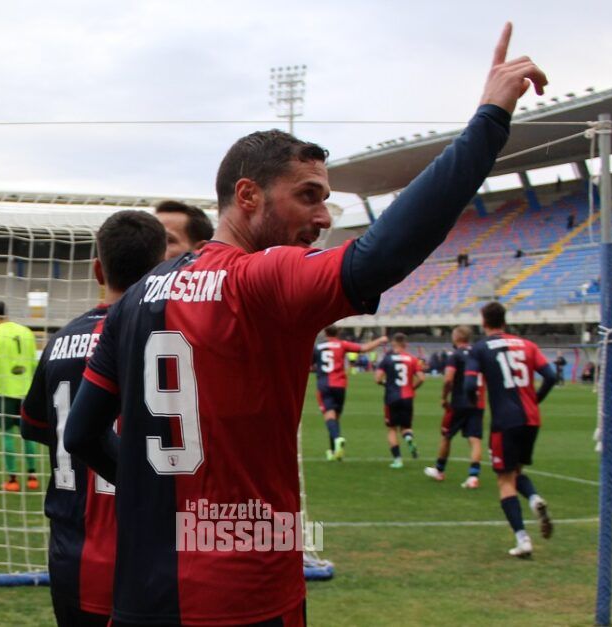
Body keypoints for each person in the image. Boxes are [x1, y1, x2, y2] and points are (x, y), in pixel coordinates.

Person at [66, 22, 545, 624]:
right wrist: (490, 120)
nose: (323, 217)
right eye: (308, 196)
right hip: (244, 594)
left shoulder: (135, 299)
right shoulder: (258, 279)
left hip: (140, 595)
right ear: (248, 196)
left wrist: (155, 505)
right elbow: (382, 255)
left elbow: (81, 435)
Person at [21, 211, 166, 627]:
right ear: (162, 268)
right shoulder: (170, 336)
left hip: (73, 555)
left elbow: (35, 426)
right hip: (153, 556)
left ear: (98, 270)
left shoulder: (59, 341)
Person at [465, 302, 556, 558]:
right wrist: (535, 400)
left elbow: (469, 384)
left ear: (484, 322)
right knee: (515, 472)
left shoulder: (480, 348)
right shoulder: (528, 345)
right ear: (505, 320)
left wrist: (472, 403)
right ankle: (534, 499)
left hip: (504, 420)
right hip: (531, 419)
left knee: (505, 480)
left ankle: (522, 539)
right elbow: (550, 376)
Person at [0, 301, 39, 492]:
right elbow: (33, 363)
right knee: (28, 435)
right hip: (26, 392)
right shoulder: (26, 332)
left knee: (7, 434)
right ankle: (32, 477)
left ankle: (13, 480)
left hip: (4, 393)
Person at [425, 326, 485, 488]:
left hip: (459, 402)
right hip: (478, 401)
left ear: (457, 337)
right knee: (475, 439)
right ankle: (473, 477)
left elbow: (448, 379)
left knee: (447, 435)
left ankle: (439, 470)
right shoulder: (479, 354)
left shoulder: (456, 355)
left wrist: (444, 398)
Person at [314, 327, 387, 460]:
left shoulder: (318, 347)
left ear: (325, 333)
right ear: (338, 333)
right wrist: (380, 340)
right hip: (340, 385)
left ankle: (337, 439)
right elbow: (364, 348)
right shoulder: (342, 344)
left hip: (324, 385)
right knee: (336, 418)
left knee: (329, 416)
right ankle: (334, 452)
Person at [374, 333, 423, 468]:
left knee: (391, 429)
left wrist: (385, 384)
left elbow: (377, 378)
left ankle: (397, 460)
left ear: (393, 343)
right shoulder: (412, 359)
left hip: (392, 397)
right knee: (406, 427)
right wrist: (412, 388)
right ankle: (408, 438)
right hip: (408, 397)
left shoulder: (387, 359)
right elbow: (421, 378)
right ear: (405, 344)